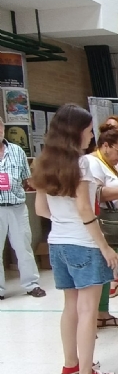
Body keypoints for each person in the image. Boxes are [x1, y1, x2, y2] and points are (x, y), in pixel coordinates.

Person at [32, 104, 118, 374]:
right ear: (76, 132)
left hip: (57, 242)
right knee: (88, 310)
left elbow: (41, 209)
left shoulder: (42, 162)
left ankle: (70, 363)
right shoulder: (82, 163)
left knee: (70, 306)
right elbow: (85, 210)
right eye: (88, 131)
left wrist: (63, 217)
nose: (91, 138)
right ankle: (87, 373)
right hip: (83, 244)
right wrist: (106, 248)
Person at [87, 123, 118, 328]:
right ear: (106, 146)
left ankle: (103, 313)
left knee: (108, 270)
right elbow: (97, 194)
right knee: (101, 270)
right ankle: (97, 315)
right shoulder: (93, 162)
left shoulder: (113, 165)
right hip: (104, 223)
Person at [0, 114, 46, 300]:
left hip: (17, 206)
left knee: (23, 246)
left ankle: (31, 284)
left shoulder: (17, 151)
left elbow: (28, 179)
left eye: (0, 128)